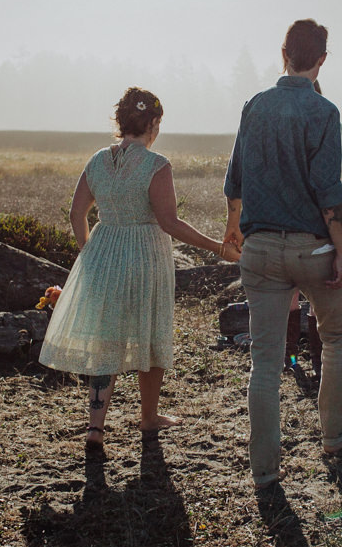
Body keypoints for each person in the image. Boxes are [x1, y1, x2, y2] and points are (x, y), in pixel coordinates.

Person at [39, 87, 239, 454]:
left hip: (103, 250)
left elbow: (76, 213)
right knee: (150, 331)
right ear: (152, 123)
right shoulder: (156, 164)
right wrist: (218, 249)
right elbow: (170, 223)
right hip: (146, 256)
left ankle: (96, 427)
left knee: (106, 337)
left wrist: (90, 254)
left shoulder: (98, 160)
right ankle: (149, 417)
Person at [223, 19, 342, 488]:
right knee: (337, 336)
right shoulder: (324, 112)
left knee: (265, 359)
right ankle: (333, 434)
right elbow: (328, 191)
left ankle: (264, 471)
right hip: (312, 248)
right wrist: (340, 249)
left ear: (282, 53)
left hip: (259, 248)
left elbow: (235, 180)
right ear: (322, 60)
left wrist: (232, 228)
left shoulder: (254, 106)